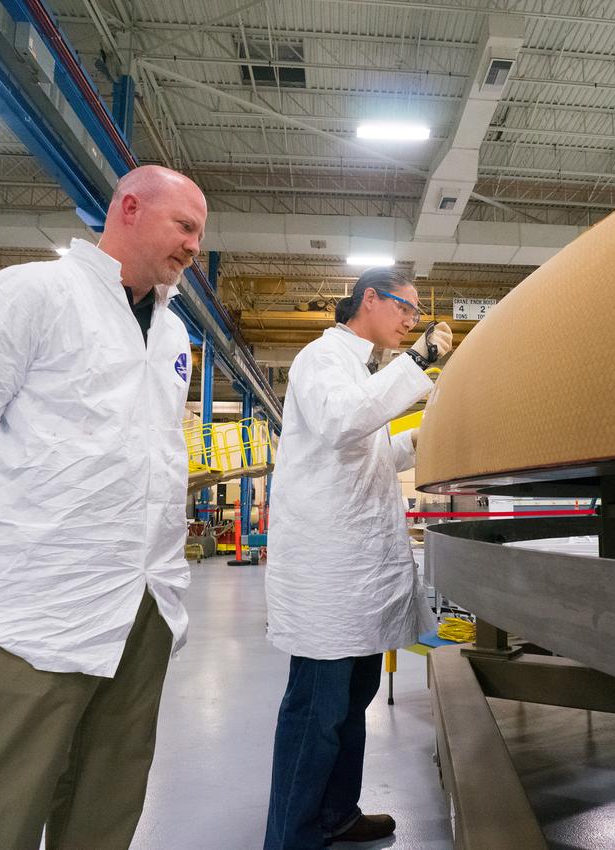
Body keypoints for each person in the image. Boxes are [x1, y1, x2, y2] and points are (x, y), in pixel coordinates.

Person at [0, 165, 207, 850]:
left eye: (200, 233)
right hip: (37, 600)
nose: (194, 246)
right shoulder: (32, 293)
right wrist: (17, 535)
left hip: (143, 598)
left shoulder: (170, 334)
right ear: (129, 209)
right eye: (185, 226)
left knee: (107, 800)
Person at [263, 268, 453, 849]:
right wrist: (418, 362)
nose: (410, 321)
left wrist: (409, 444)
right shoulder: (321, 359)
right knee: (316, 712)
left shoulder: (360, 369)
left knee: (352, 702)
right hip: (329, 575)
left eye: (416, 315)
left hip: (359, 573)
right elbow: (343, 423)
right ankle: (291, 836)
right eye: (405, 308)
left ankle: (337, 814)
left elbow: (358, 454)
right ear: (368, 298)